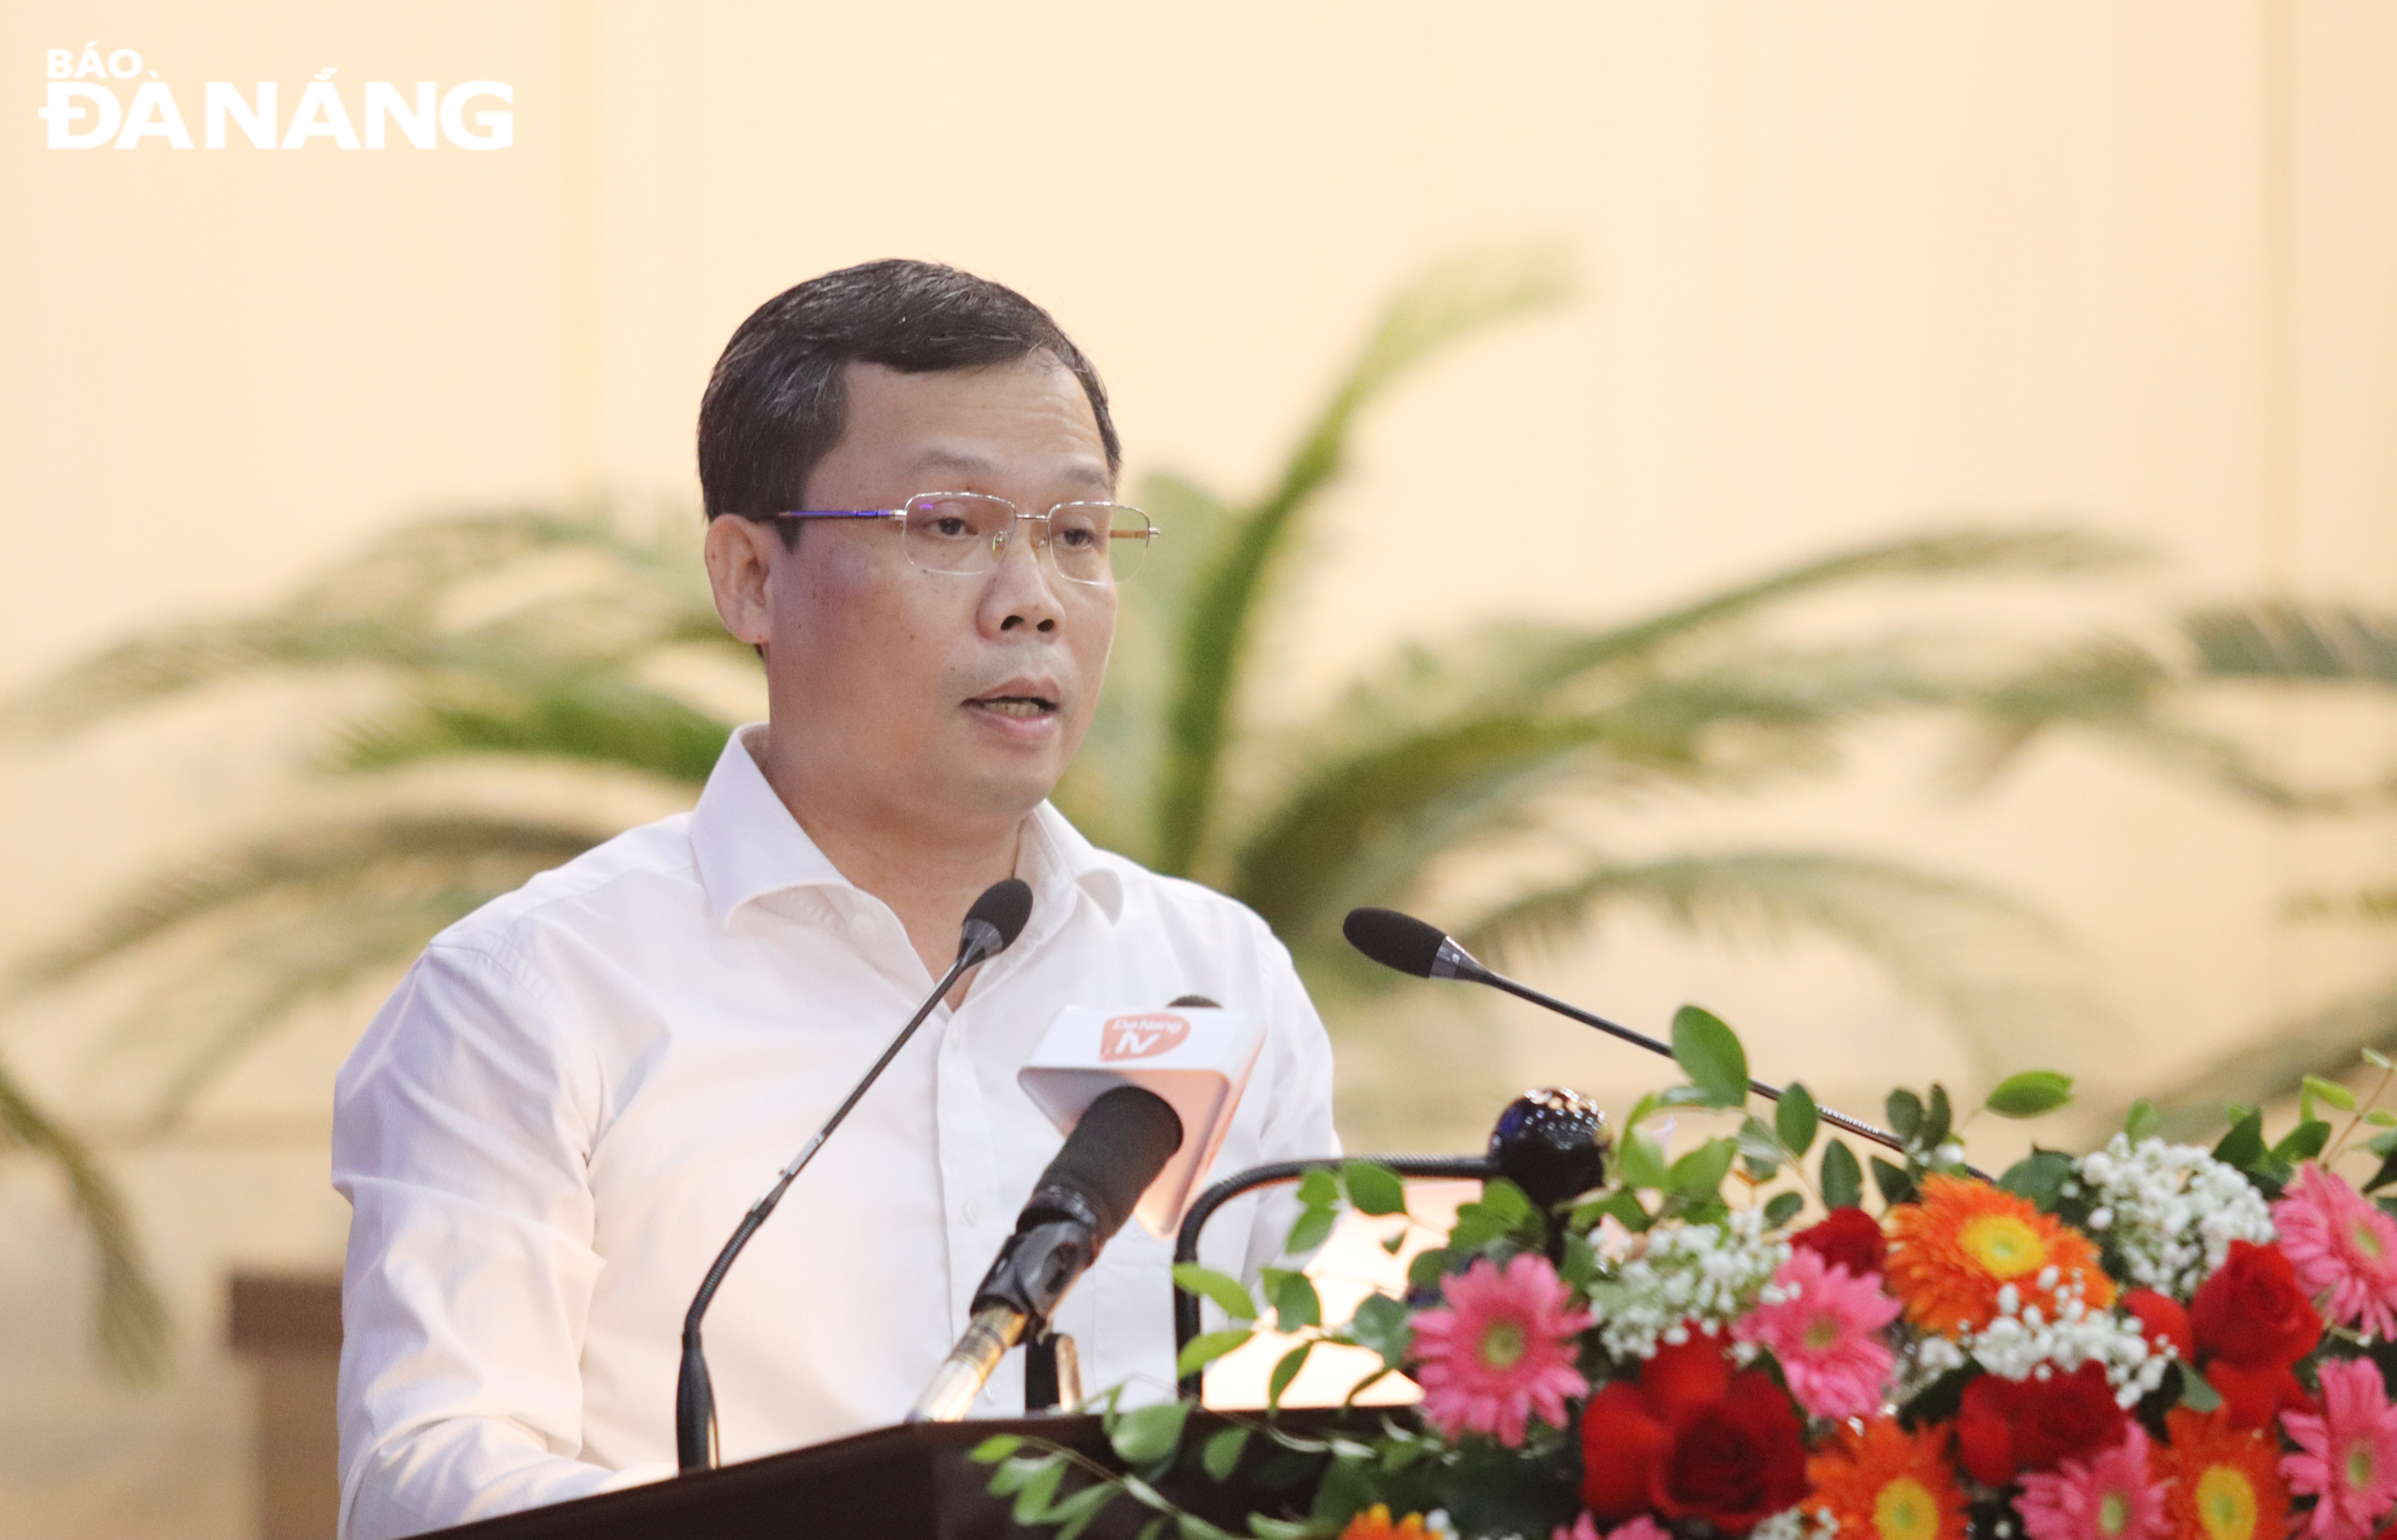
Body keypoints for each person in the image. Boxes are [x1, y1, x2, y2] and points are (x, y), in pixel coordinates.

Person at [331, 260, 1340, 1539]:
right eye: (950, 525)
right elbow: (428, 1476)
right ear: (752, 576)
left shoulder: (1217, 975)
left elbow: (1331, 1430)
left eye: (1078, 535)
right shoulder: (530, 997)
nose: (1031, 594)